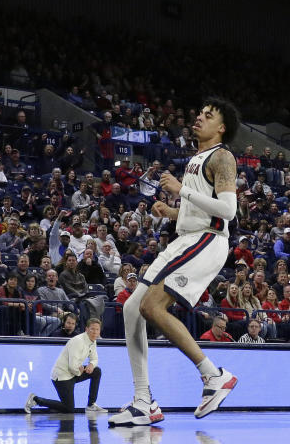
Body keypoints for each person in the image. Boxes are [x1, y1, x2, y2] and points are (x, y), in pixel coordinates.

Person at [109, 98, 240, 427]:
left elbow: (227, 211)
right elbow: (198, 208)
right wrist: (171, 212)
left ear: (221, 128)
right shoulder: (196, 158)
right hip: (187, 236)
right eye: (199, 113)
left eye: (208, 116)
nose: (199, 118)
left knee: (152, 307)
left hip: (207, 239)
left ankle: (214, 375)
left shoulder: (222, 156)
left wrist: (181, 191)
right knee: (130, 308)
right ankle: (143, 402)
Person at [24, 318, 106, 414]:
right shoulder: (78, 341)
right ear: (86, 329)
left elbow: (94, 358)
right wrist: (80, 370)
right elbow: (72, 367)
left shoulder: (93, 341)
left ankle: (91, 405)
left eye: (97, 329)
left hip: (74, 372)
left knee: (96, 371)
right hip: (62, 375)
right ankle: (36, 399)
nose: (95, 332)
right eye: (92, 329)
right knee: (69, 408)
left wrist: (91, 365)